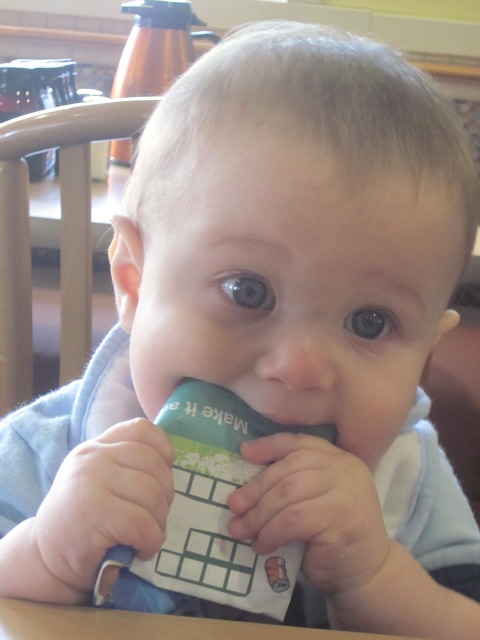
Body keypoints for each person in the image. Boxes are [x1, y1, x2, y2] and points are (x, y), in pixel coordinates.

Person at [0, 19, 480, 637]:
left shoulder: (407, 479)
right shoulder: (40, 454)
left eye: (370, 322)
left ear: (424, 352)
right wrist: (44, 554)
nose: (300, 367)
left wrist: (374, 577)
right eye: (247, 291)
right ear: (135, 284)